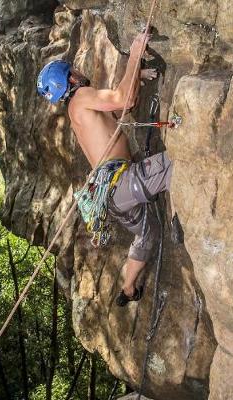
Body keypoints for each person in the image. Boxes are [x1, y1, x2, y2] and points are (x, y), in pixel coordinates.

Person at [37, 33, 172, 306]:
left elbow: (126, 102)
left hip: (112, 198)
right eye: (72, 70)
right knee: (175, 164)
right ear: (70, 79)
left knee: (147, 232)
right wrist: (134, 55)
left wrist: (136, 73)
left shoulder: (77, 109)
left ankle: (128, 289)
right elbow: (121, 99)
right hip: (122, 184)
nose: (78, 71)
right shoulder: (82, 98)